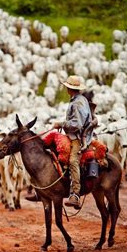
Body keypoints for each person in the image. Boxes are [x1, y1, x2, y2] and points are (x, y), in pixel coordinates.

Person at [53, 75, 93, 209]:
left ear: (70, 88)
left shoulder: (77, 103)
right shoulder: (79, 99)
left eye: (67, 87)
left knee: (73, 161)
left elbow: (77, 123)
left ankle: (75, 194)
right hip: (73, 135)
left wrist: (61, 123)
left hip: (77, 138)